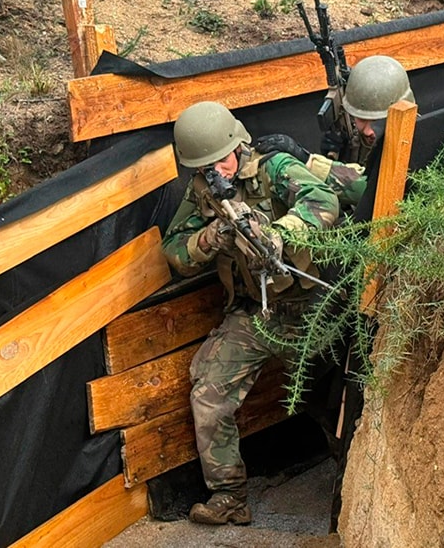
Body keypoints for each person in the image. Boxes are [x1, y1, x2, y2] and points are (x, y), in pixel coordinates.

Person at [162, 54, 413, 526]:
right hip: (255, 313)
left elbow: (323, 201)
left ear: (238, 144)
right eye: (205, 166)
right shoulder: (203, 192)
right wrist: (210, 237)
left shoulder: (272, 166)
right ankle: (228, 496)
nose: (218, 170)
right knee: (208, 389)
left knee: (332, 394)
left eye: (222, 159)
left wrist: (279, 233)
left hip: (311, 304)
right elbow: (174, 253)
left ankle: (352, 485)